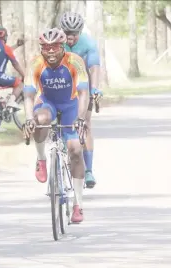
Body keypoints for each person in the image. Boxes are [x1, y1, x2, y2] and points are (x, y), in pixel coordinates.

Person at [22, 28, 90, 223]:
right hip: (47, 103)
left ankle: (78, 204)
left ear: (63, 47)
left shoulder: (75, 61)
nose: (50, 52)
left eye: (55, 47)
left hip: (71, 105)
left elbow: (83, 92)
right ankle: (42, 158)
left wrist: (81, 118)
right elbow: (28, 95)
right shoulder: (35, 63)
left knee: (75, 150)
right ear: (41, 48)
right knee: (40, 120)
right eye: (46, 47)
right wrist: (28, 118)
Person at [60, 11, 102, 189]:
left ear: (79, 32)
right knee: (62, 125)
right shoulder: (57, 42)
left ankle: (89, 170)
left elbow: (94, 68)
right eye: (67, 35)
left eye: (74, 35)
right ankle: (63, 158)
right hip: (62, 87)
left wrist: (95, 88)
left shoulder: (88, 43)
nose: (70, 39)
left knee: (85, 124)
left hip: (83, 87)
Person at [0, 26, 25, 109]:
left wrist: (16, 45)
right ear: (5, 37)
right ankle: (11, 102)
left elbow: (2, 51)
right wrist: (24, 74)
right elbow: (15, 64)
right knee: (19, 84)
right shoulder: (5, 48)